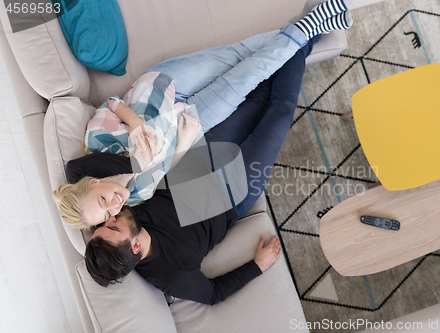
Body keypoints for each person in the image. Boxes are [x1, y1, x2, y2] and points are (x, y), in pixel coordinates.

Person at [52, 0, 353, 229]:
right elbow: (167, 170)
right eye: (107, 216)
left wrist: (135, 125)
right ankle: (314, 22)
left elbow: (114, 103)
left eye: (103, 201)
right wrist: (183, 142)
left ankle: (314, 26)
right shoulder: (134, 195)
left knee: (242, 52)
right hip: (193, 121)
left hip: (165, 85)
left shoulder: (97, 142)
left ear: (93, 183)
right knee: (249, 75)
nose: (113, 207)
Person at [84, 32, 321, 305]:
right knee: (280, 112)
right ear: (135, 246)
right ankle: (309, 34)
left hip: (203, 156)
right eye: (112, 227)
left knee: (259, 96)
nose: (110, 217)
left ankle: (307, 35)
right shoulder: (170, 276)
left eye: (103, 225)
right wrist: (257, 266)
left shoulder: (120, 208)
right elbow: (213, 294)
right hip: (234, 193)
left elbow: (75, 170)